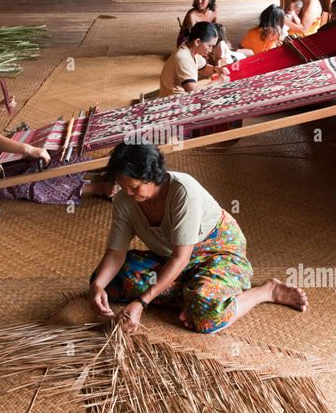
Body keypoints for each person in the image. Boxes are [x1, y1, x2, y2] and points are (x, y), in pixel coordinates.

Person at [90, 143, 308, 335]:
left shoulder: (184, 191)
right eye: (123, 185)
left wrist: (141, 302)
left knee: (207, 317)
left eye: (134, 187)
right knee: (111, 281)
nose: (126, 193)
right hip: (172, 259)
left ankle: (266, 291)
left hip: (217, 254)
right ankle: (192, 294)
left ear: (152, 176)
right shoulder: (124, 200)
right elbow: (115, 253)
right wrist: (98, 286)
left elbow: (180, 258)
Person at [0, 43, 115, 204]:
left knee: (53, 150)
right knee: (30, 177)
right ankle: (95, 188)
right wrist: (28, 149)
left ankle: (95, 170)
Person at [160, 22, 229, 97]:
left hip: (182, 95)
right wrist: (217, 83)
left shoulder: (191, 50)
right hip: (173, 100)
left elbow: (203, 68)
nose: (211, 50)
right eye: (209, 46)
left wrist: (216, 69)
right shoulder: (183, 59)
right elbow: (193, 91)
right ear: (197, 42)